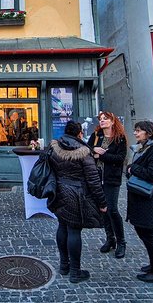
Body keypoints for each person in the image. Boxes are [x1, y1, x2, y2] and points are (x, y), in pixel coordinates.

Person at [48, 120, 107, 283]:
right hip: (76, 194)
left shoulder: (54, 147)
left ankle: (64, 265)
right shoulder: (83, 151)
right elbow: (93, 179)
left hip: (58, 192)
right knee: (74, 230)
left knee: (62, 227)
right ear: (79, 133)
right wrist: (102, 202)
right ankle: (75, 271)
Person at [127, 120, 153, 283]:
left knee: (146, 233)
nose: (136, 133)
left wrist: (132, 168)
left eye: (139, 131)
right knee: (144, 232)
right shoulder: (143, 150)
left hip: (149, 201)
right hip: (142, 198)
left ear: (149, 133)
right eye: (135, 130)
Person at [87, 111, 128, 258]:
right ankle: (110, 239)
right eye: (101, 119)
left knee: (112, 209)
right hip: (97, 177)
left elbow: (120, 158)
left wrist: (102, 155)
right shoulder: (97, 136)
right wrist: (93, 150)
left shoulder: (119, 138)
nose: (102, 121)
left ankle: (121, 242)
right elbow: (86, 150)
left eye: (105, 119)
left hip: (112, 178)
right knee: (103, 209)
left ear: (112, 121)